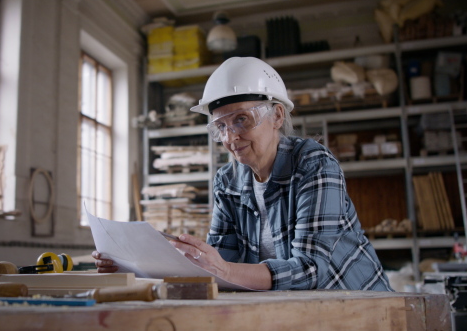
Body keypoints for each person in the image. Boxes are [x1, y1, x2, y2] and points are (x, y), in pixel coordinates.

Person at [93, 57, 393, 291]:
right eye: (220, 126)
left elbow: (311, 269)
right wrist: (136, 266)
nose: (230, 137)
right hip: (298, 309)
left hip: (361, 305)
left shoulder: (313, 164)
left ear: (276, 116)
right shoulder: (228, 182)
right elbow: (221, 263)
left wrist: (222, 269)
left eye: (241, 120)